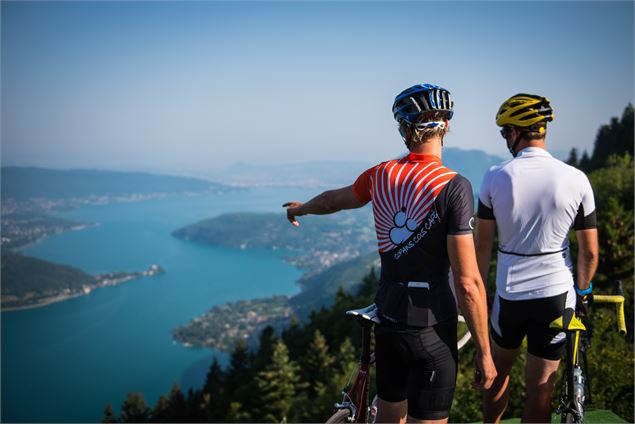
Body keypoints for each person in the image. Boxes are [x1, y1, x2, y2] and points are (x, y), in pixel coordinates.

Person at [283, 83, 496, 424]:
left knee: (387, 415)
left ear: (405, 129)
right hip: (433, 328)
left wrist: (301, 209)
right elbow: (468, 283)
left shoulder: (381, 174)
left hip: (390, 322)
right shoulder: (455, 187)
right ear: (446, 126)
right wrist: (485, 353)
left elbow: (331, 201)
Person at [476, 94, 599, 423]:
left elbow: (482, 246)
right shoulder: (577, 179)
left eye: (505, 133)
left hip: (510, 294)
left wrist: (478, 294)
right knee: (541, 388)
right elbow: (589, 251)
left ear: (516, 132)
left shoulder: (494, 176)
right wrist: (584, 292)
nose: (505, 139)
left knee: (497, 376)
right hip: (557, 296)